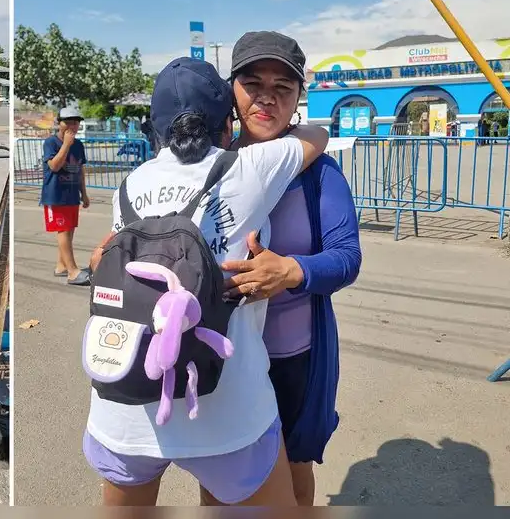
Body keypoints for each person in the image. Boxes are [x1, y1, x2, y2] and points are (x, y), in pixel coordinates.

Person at [83, 57, 329, 507]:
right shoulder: (250, 169)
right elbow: (318, 135)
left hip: (126, 404)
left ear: (155, 126)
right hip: (227, 411)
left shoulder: (128, 187)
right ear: (226, 122)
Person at [219, 31, 362, 506]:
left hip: (292, 357)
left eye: (283, 86)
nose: (267, 97)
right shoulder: (207, 165)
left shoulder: (319, 173)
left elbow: (347, 257)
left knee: (294, 470)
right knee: (226, 477)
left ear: (299, 96)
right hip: (223, 356)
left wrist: (293, 271)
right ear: (231, 90)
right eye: (253, 82)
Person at [41, 107, 90, 286]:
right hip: (55, 194)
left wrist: (84, 194)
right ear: (59, 123)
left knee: (69, 231)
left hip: (72, 194)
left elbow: (81, 170)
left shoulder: (79, 145)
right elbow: (54, 166)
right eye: (68, 122)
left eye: (76, 122)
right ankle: (72, 271)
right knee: (62, 230)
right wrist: (66, 144)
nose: (72, 126)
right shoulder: (51, 143)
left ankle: (61, 265)